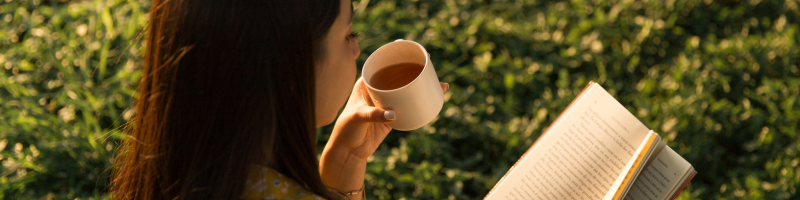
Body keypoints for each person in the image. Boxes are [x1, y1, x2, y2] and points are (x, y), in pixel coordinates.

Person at [111, 0, 448, 199]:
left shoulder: (169, 173)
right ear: (292, 70)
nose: (358, 49)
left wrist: (345, 164)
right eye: (349, 35)